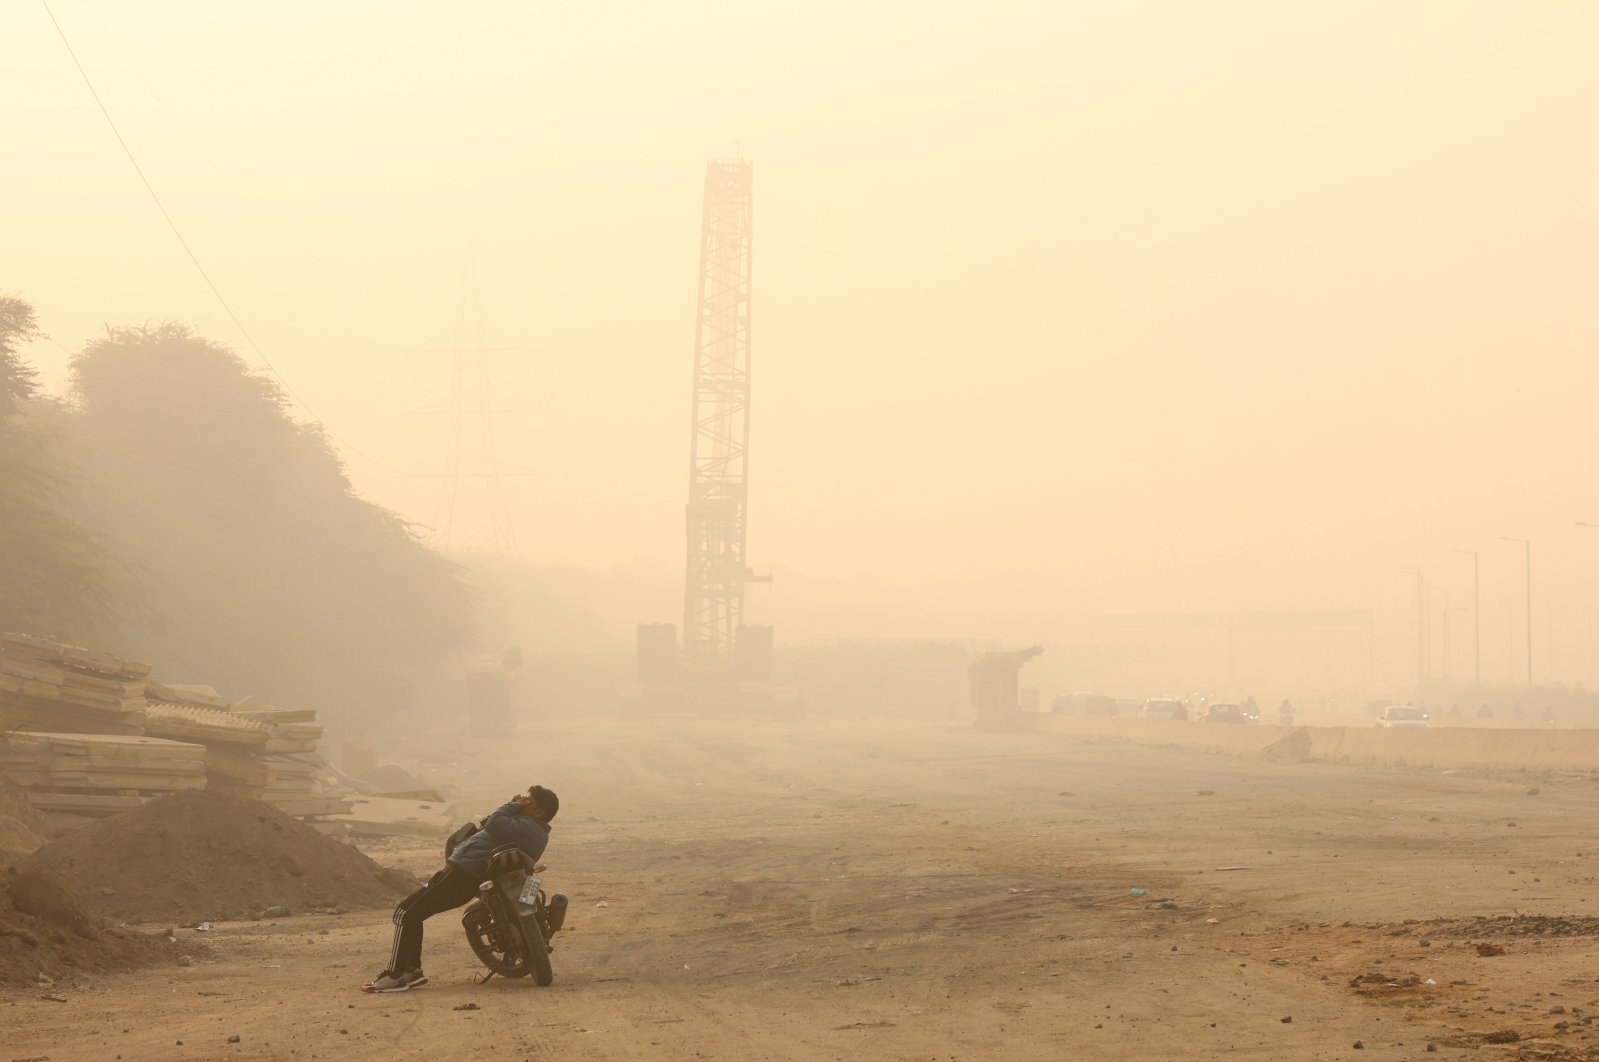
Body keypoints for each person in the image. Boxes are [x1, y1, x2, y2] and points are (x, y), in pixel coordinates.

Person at [365, 784, 559, 993]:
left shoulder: (528, 827)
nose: (522, 802)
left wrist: (512, 804)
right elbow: (489, 825)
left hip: (462, 875)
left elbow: (494, 822)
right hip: (463, 875)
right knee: (413, 914)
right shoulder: (528, 828)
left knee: (405, 913)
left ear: (539, 811)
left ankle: (395, 975)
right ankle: (411, 971)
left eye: (528, 801)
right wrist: (515, 808)